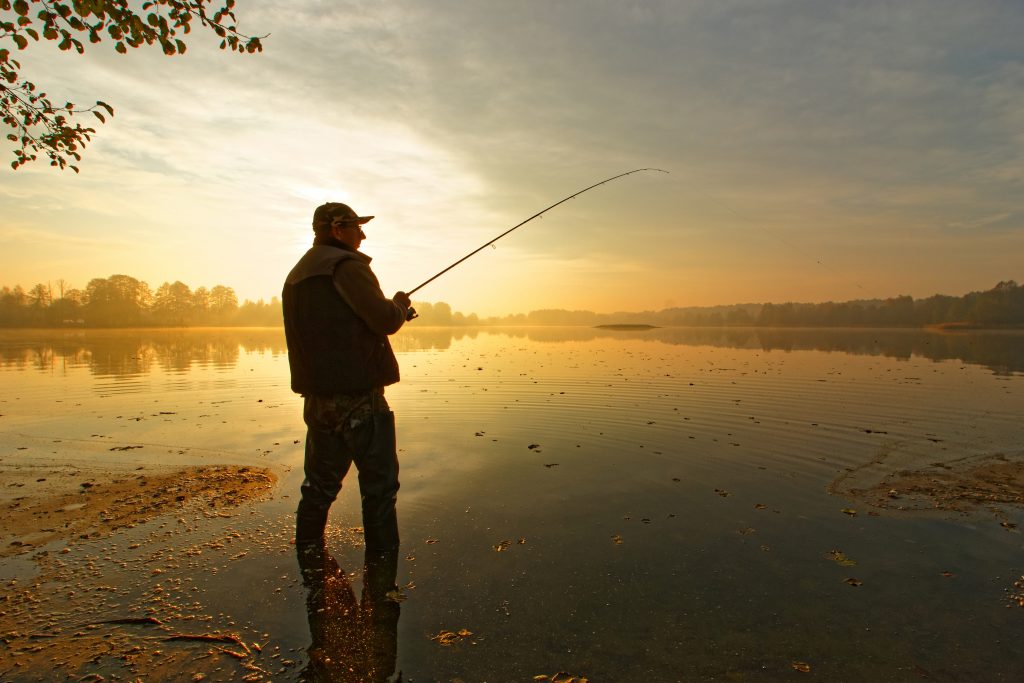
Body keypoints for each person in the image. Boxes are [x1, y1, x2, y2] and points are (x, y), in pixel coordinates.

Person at [283, 202, 412, 552]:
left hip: (318, 402)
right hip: (360, 403)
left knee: (318, 488)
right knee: (380, 491)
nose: (364, 234)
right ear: (337, 229)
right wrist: (399, 305)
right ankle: (383, 578)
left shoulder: (296, 276)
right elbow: (385, 319)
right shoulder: (346, 266)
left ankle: (308, 558)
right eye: (358, 227)